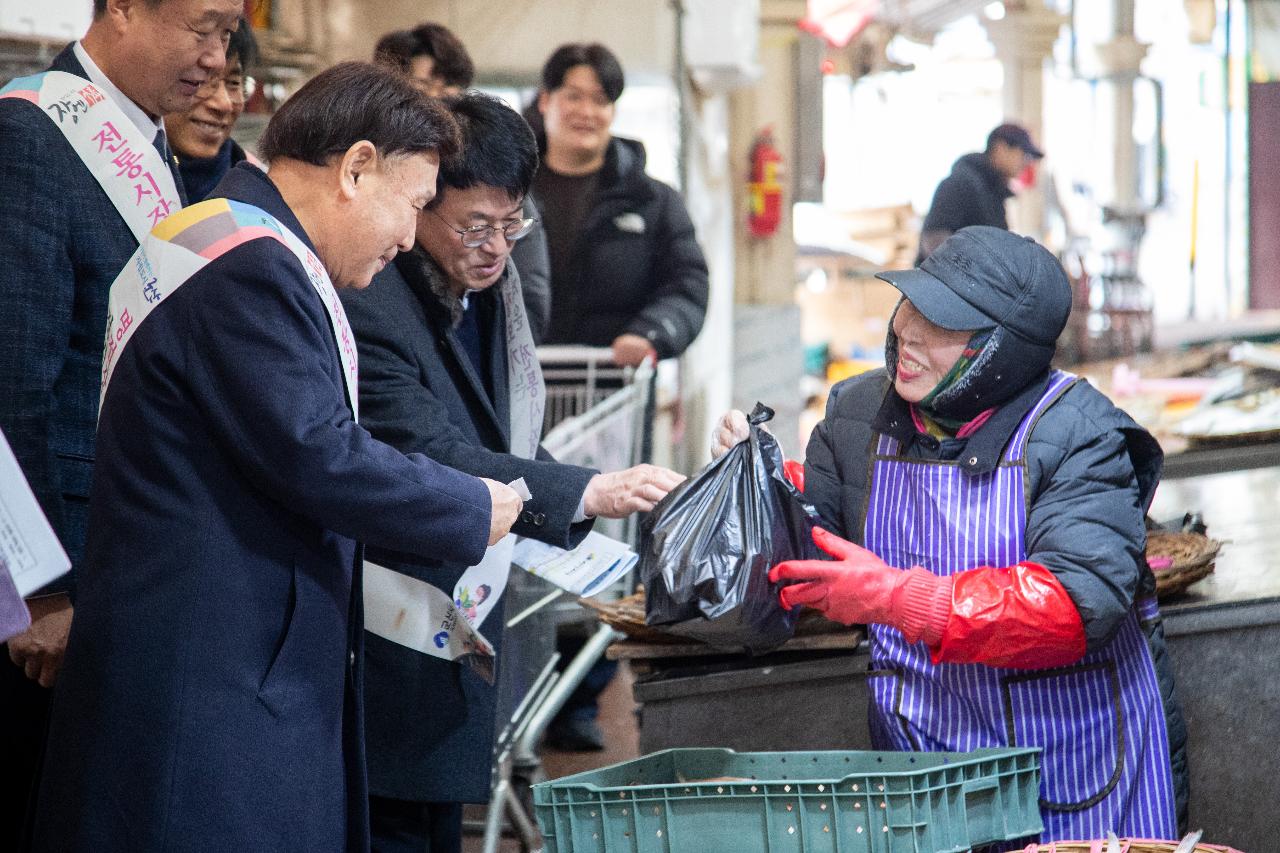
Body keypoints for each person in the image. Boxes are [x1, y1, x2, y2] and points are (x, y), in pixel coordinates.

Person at [29, 62, 523, 853]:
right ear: (357, 168)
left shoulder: (234, 235)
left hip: (218, 653)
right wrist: (471, 504)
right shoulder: (250, 266)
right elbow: (319, 452)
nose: (408, 236)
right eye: (415, 205)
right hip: (208, 680)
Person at [712, 226, 1187, 842]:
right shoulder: (858, 415)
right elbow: (810, 542)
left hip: (1072, 765)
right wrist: (761, 479)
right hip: (927, 768)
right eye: (911, 304)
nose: (907, 332)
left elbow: (1077, 602)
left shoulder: (1080, 433)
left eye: (942, 324)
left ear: (1003, 349)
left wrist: (898, 599)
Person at [339, 91, 683, 853]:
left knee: (433, 815)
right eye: (475, 224)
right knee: (392, 815)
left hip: (456, 609)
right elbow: (432, 448)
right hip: (387, 614)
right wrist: (585, 489)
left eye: (512, 222)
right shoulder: (374, 299)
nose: (497, 245)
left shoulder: (491, 294)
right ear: (422, 200)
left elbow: (503, 433)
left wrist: (581, 496)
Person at [0, 0, 240, 843]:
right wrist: (38, 590)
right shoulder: (31, 138)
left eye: (228, 35)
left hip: (127, 551)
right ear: (125, 9)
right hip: (53, 582)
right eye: (202, 28)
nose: (217, 59)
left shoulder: (148, 138)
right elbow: (11, 379)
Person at [373, 22, 553, 342]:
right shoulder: (369, 179)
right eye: (424, 85)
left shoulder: (498, 184)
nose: (441, 99)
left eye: (452, 86)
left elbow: (529, 299)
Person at [533, 42, 708, 367]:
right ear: (545, 100)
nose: (586, 112)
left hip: (615, 392)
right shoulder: (508, 194)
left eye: (600, 100)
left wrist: (649, 333)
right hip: (517, 390)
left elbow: (687, 285)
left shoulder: (653, 201)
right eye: (573, 96)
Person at [916, 122, 1044, 261]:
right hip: (944, 282)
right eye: (1023, 154)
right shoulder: (959, 184)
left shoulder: (993, 191)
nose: (1026, 163)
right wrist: (970, 274)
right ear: (1000, 148)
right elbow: (934, 238)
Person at [166, 16, 258, 202]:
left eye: (234, 83)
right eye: (201, 80)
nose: (223, 104)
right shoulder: (114, 174)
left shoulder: (259, 192)